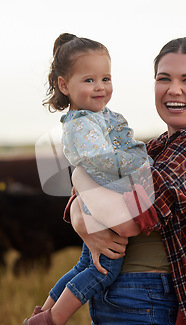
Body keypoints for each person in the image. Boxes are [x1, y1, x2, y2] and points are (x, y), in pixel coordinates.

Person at [65, 37, 186, 324]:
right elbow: (86, 198)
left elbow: (126, 219)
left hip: (149, 298)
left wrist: (79, 174)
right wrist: (82, 220)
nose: (173, 89)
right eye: (163, 78)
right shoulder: (154, 148)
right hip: (119, 292)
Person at [24, 33, 152, 325]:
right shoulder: (82, 124)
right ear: (64, 84)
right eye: (89, 80)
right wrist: (140, 161)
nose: (100, 87)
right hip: (105, 198)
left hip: (99, 196)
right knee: (105, 267)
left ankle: (43, 312)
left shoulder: (97, 116)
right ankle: (54, 319)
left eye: (106, 78)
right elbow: (102, 162)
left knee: (85, 262)